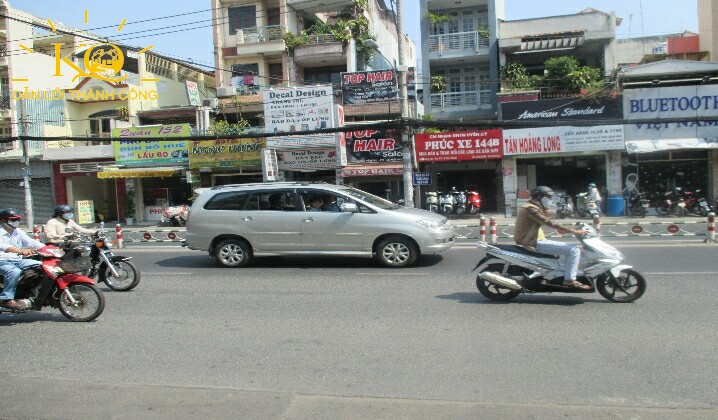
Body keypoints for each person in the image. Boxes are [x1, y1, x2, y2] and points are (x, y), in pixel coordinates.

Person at [513, 186, 589, 289]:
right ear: (539, 196)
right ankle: (569, 280)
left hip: (535, 240)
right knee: (574, 251)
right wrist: (573, 231)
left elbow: (546, 221)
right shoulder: (531, 208)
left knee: (572, 248)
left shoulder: (532, 207)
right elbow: (548, 222)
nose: (550, 200)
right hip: (532, 242)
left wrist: (560, 228)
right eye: (548, 197)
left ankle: (563, 273)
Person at [0, 208, 45, 311]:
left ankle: (30, 291)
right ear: (3, 220)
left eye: (17, 219)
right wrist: (20, 251)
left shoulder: (18, 231)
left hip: (18, 260)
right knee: (14, 272)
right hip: (2, 261)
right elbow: (3, 246)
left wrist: (46, 248)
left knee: (42, 265)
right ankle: (6, 299)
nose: (16, 221)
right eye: (13, 219)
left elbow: (31, 242)